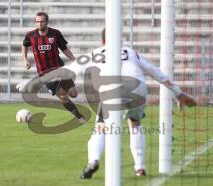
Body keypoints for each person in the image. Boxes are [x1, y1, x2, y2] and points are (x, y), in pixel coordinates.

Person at [80, 28, 197, 178]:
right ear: (119, 40)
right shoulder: (130, 52)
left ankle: (93, 161)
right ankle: (140, 168)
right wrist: (178, 93)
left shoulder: (97, 52)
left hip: (112, 86)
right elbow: (154, 71)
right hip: (137, 86)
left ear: (102, 41)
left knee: (101, 126)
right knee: (135, 123)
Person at [21, 11, 85, 123]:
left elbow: (64, 49)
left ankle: (71, 105)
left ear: (47, 22)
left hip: (59, 69)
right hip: (45, 73)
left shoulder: (55, 34)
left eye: (42, 22)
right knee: (63, 97)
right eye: (37, 22)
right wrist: (25, 60)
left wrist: (74, 60)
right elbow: (24, 45)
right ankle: (79, 117)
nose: (39, 24)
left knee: (73, 94)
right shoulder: (31, 35)